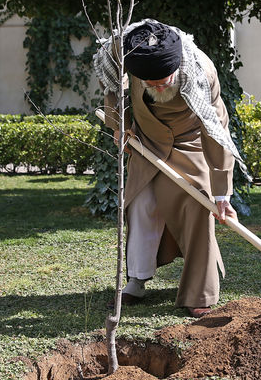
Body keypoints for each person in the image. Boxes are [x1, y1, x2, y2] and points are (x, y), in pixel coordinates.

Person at [93, 19, 245, 318]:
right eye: (151, 83)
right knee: (141, 203)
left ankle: (199, 293)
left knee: (200, 208)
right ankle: (137, 280)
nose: (159, 86)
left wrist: (222, 194)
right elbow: (112, 87)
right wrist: (120, 126)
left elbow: (217, 132)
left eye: (165, 80)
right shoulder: (124, 51)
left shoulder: (201, 72)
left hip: (191, 144)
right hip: (147, 142)